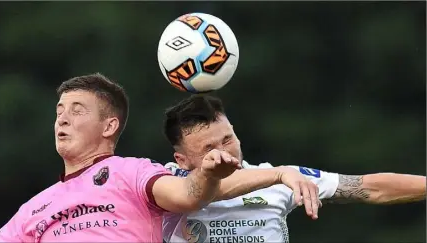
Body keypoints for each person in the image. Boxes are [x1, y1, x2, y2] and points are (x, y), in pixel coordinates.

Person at [0, 73, 320, 243]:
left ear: (109, 126)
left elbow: (189, 195)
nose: (62, 119)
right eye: (59, 111)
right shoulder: (33, 209)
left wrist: (274, 173)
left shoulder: (131, 173)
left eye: (77, 111)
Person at [161, 94, 426, 243]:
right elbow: (204, 190)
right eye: (209, 148)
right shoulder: (165, 181)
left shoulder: (283, 179)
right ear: (182, 159)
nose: (224, 151)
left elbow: (369, 187)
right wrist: (279, 174)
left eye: (228, 139)